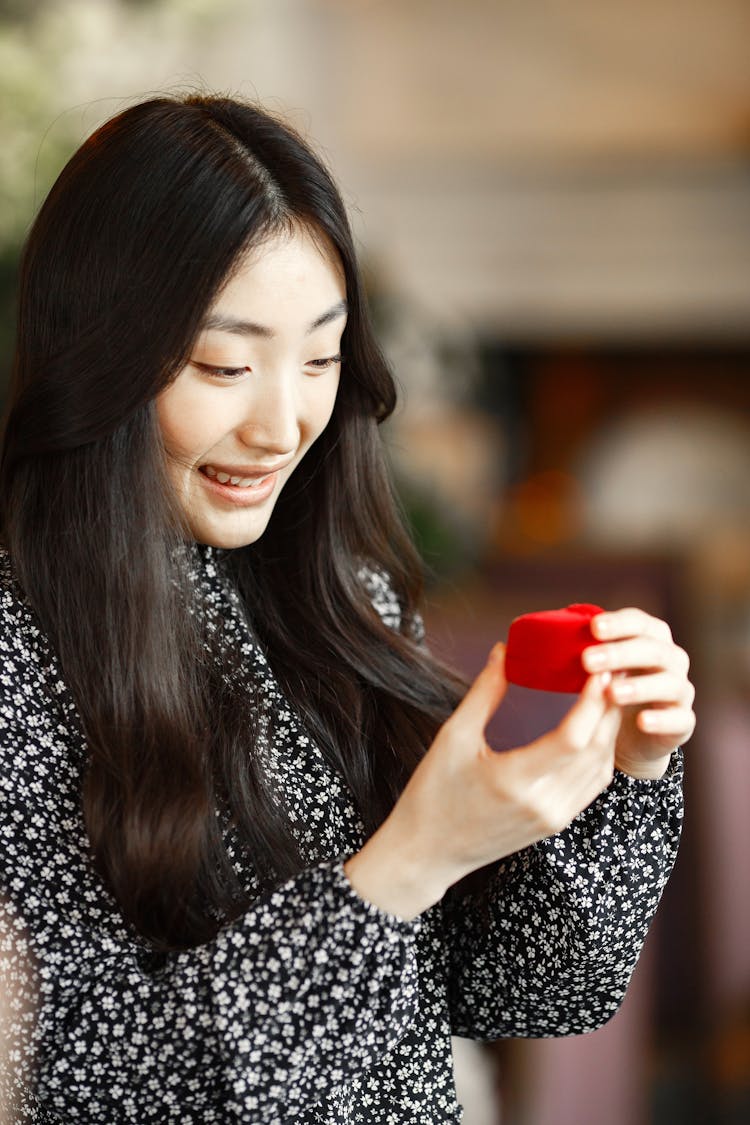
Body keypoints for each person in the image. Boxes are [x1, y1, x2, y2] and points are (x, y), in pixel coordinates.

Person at [0, 93, 694, 1124]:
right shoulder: (18, 650)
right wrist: (405, 864)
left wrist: (623, 776)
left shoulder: (333, 601)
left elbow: (530, 990)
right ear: (94, 354)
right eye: (225, 366)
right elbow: (83, 1082)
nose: (283, 424)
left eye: (319, 359)